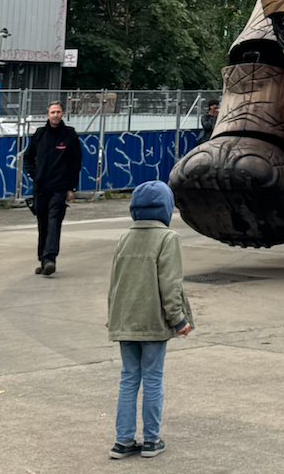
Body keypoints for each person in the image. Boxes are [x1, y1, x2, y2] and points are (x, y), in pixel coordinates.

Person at [107, 180, 193, 460]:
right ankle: (151, 440)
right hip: (153, 322)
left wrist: (113, 318)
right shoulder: (168, 238)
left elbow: (115, 283)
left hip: (125, 320)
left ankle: (123, 441)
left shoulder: (124, 238)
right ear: (167, 208)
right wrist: (178, 320)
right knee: (153, 379)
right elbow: (170, 285)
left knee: (128, 378)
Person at [23, 101, 82, 276]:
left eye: (58, 112)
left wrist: (71, 188)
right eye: (52, 112)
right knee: (43, 223)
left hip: (60, 187)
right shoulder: (40, 135)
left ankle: (50, 259)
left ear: (62, 114)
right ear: (47, 115)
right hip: (41, 188)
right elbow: (28, 157)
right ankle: (43, 260)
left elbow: (75, 163)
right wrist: (35, 174)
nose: (55, 115)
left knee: (54, 221)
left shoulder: (69, 135)